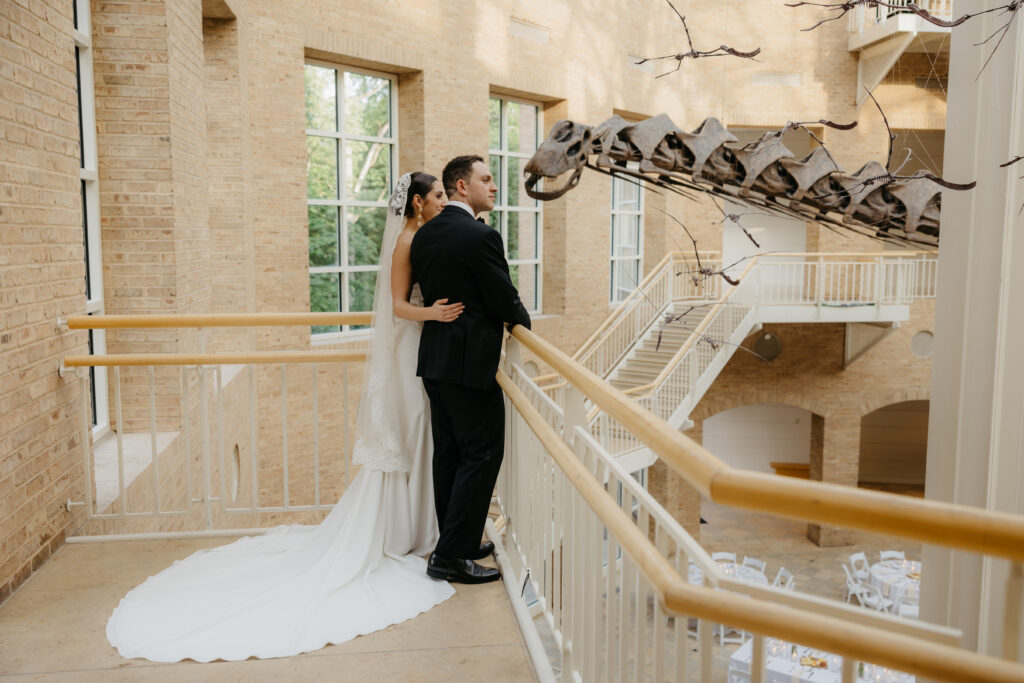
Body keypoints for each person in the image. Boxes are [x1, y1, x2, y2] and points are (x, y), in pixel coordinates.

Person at [105, 172, 464, 662]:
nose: (445, 201)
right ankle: (402, 532)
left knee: (420, 436)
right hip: (410, 348)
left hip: (421, 348)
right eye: (439, 195)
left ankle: (419, 527)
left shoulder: (424, 236)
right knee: (410, 434)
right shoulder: (405, 241)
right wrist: (435, 315)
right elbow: (399, 306)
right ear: (417, 202)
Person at [410, 155, 532, 585]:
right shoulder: (481, 235)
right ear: (462, 187)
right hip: (469, 365)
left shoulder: (424, 235)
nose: (493, 186)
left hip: (435, 363)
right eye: (486, 179)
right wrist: (525, 325)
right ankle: (448, 557)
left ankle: (456, 541)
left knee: (450, 454)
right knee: (482, 453)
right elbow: (502, 296)